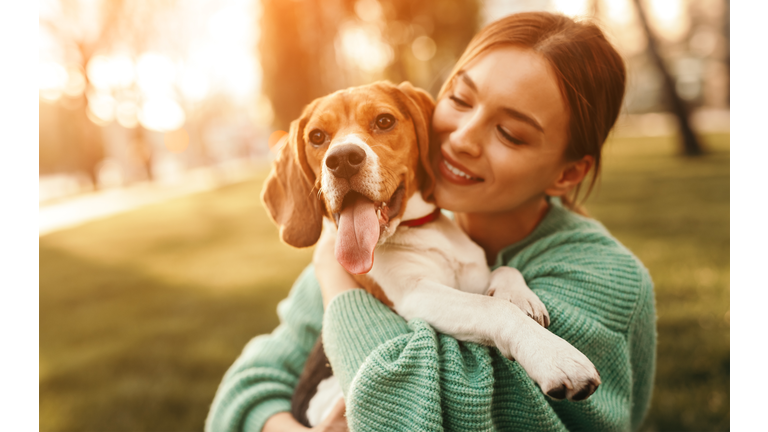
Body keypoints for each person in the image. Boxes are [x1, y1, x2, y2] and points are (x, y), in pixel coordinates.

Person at [206, 11, 656, 432]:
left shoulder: (602, 280)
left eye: (510, 133)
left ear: (567, 173)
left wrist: (337, 283)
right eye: (460, 99)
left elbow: (406, 416)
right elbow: (246, 388)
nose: (461, 139)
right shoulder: (360, 239)